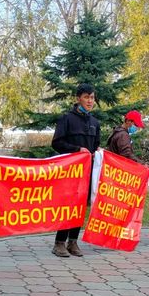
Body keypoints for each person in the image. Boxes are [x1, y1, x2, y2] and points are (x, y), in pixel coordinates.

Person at [51, 83, 101, 258]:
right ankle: (59, 243)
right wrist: (77, 150)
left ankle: (73, 241)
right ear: (78, 99)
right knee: (68, 206)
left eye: (92, 97)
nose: (90, 101)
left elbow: (95, 146)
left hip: (87, 173)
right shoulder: (66, 119)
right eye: (86, 97)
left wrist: (97, 153)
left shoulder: (95, 122)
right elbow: (57, 143)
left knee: (80, 207)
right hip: (70, 172)